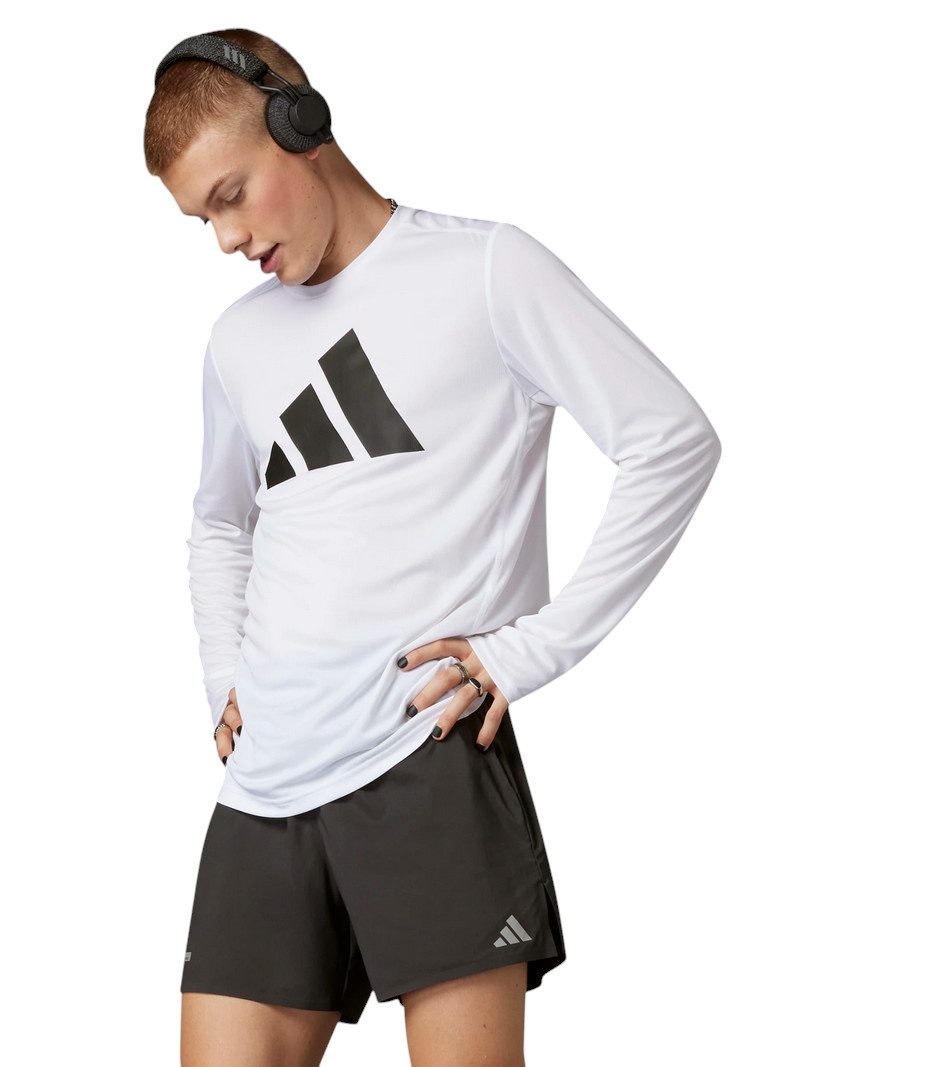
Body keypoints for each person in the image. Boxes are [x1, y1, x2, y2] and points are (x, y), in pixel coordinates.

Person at [145, 27, 721, 1067]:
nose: (226, 239)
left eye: (230, 196)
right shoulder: (238, 340)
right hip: (264, 784)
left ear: (300, 126)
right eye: (202, 219)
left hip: (425, 756)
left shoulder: (484, 269)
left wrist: (527, 651)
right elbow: (221, 519)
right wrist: (224, 673)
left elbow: (669, 439)